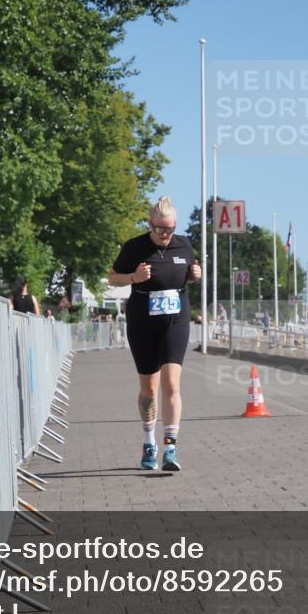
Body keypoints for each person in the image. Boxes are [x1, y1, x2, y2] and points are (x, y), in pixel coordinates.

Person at [108, 197, 201, 472]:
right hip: (143, 322)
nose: (164, 235)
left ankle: (170, 448)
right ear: (150, 224)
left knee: (172, 384)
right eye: (159, 229)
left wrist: (196, 274)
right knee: (149, 388)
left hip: (175, 319)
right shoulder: (135, 247)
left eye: (169, 229)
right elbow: (113, 277)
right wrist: (133, 278)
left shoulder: (183, 245)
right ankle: (149, 443)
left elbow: (189, 273)